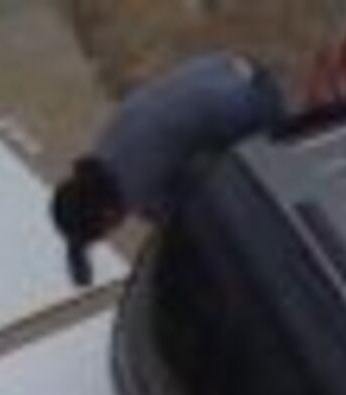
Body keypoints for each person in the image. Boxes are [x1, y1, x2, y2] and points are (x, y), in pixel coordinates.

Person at [49, 52, 287, 281]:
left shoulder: (143, 195)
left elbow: (204, 218)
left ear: (107, 216)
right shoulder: (105, 146)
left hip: (258, 101)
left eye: (105, 230)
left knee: (249, 212)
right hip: (229, 65)